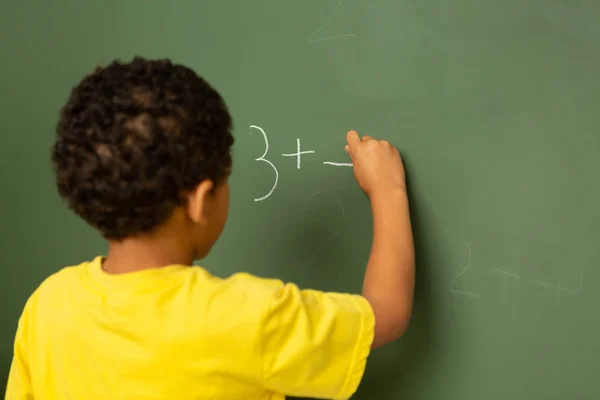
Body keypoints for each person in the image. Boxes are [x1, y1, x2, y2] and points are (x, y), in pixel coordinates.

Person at [5, 57, 415, 400]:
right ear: (200, 201)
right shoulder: (249, 318)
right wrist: (388, 189)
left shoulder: (48, 307)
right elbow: (388, 314)